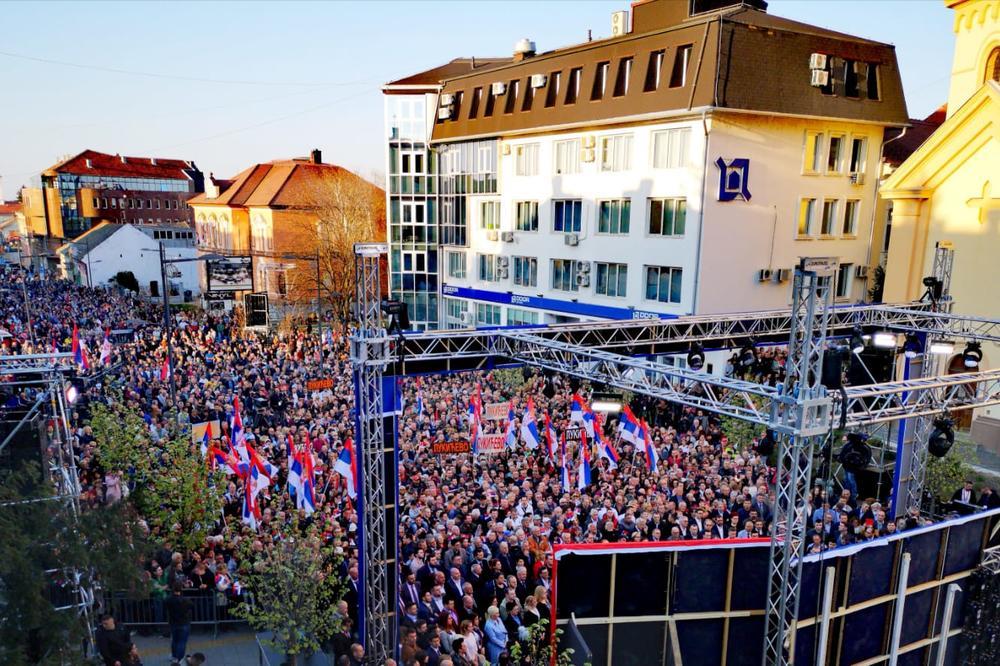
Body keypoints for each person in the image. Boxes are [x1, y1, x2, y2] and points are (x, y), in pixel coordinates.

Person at [165, 581, 194, 665]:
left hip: (173, 622)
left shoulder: (169, 599)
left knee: (175, 640)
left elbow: (165, 605)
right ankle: (179, 659)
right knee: (182, 642)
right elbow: (192, 605)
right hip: (184, 623)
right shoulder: (186, 600)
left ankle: (174, 656)